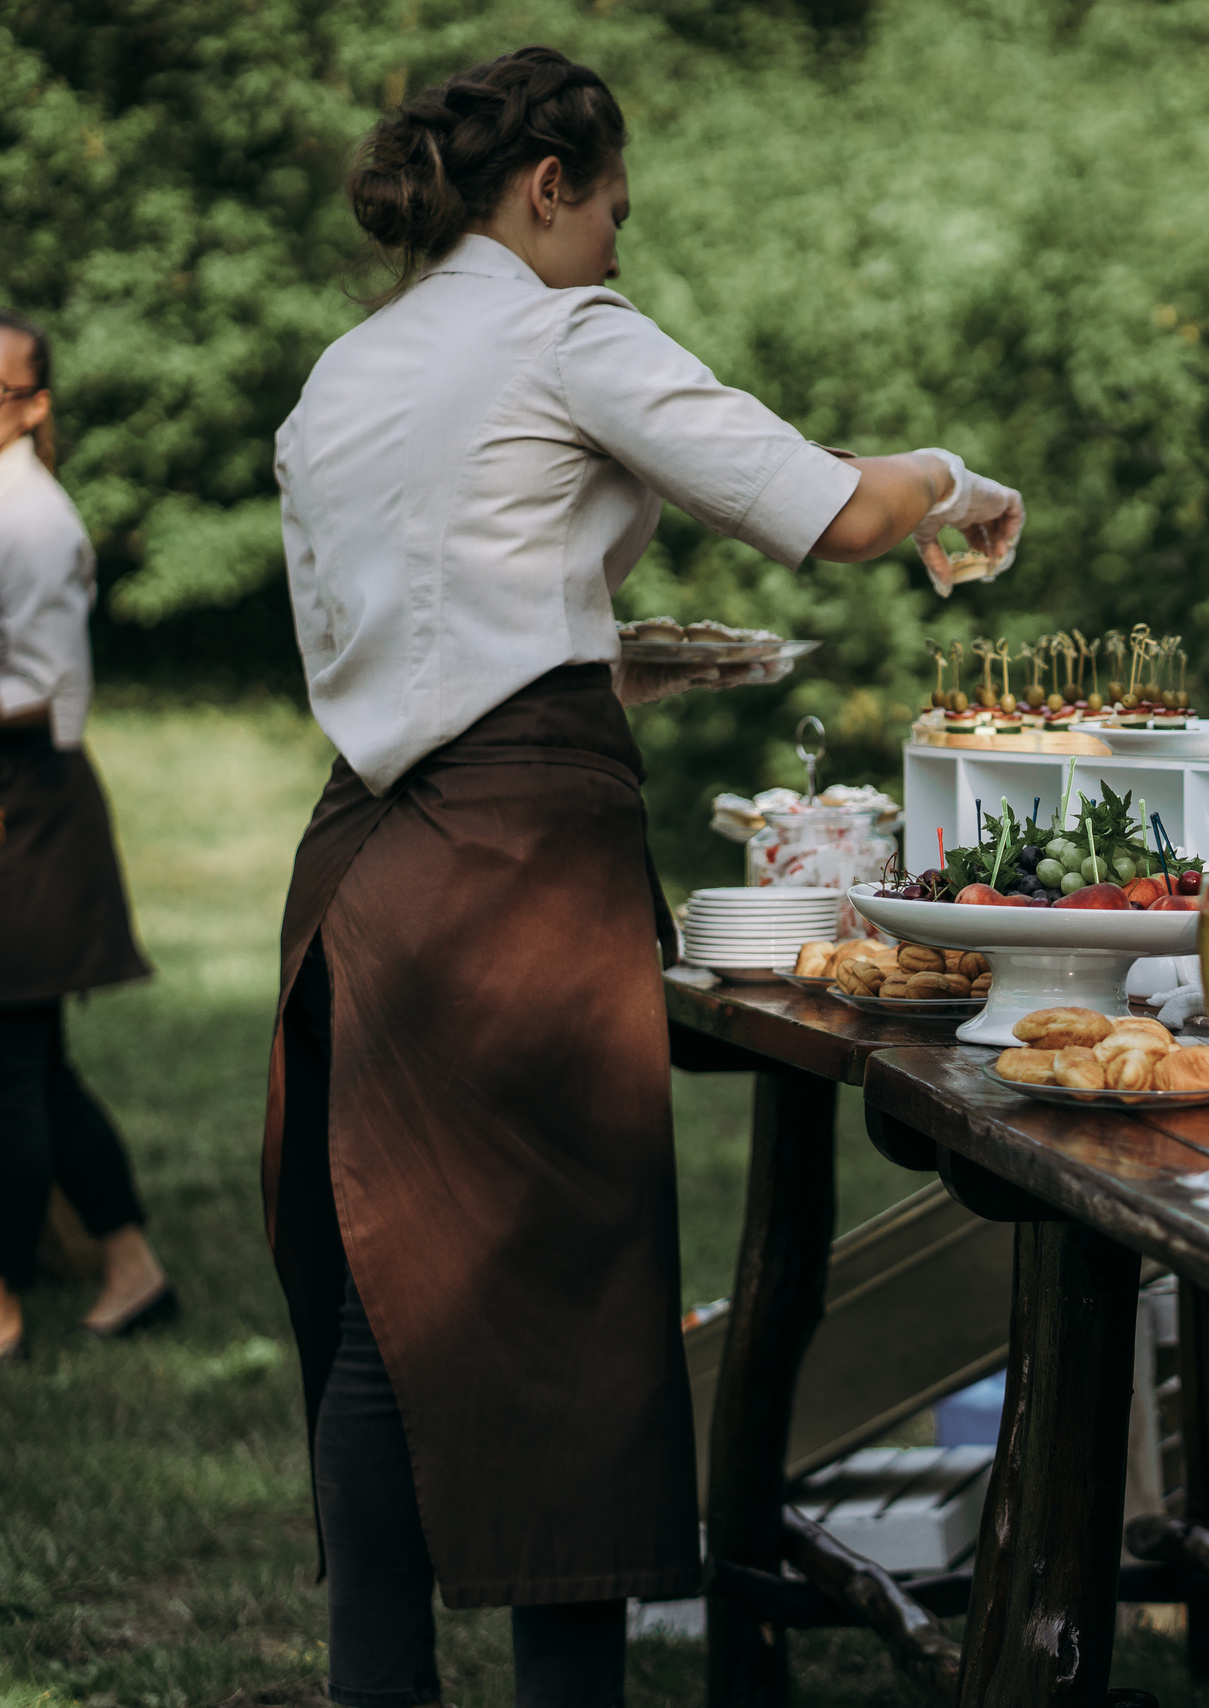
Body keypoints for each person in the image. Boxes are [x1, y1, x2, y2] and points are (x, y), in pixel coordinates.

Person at [262, 46, 1023, 1708]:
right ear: (548, 187)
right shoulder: (565, 332)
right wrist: (958, 481)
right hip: (517, 876)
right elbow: (829, 511)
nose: (619, 241)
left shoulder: (342, 371)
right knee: (575, 1331)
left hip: (361, 867)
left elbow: (422, 631)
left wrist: (614, 660)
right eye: (613, 206)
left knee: (382, 1307)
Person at [0, 309, 178, 1364]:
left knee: (13, 1070)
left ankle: (8, 1305)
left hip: (28, 808)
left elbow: (52, 696)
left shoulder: (31, 519)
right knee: (36, 1065)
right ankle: (128, 1262)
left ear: (34, 401)